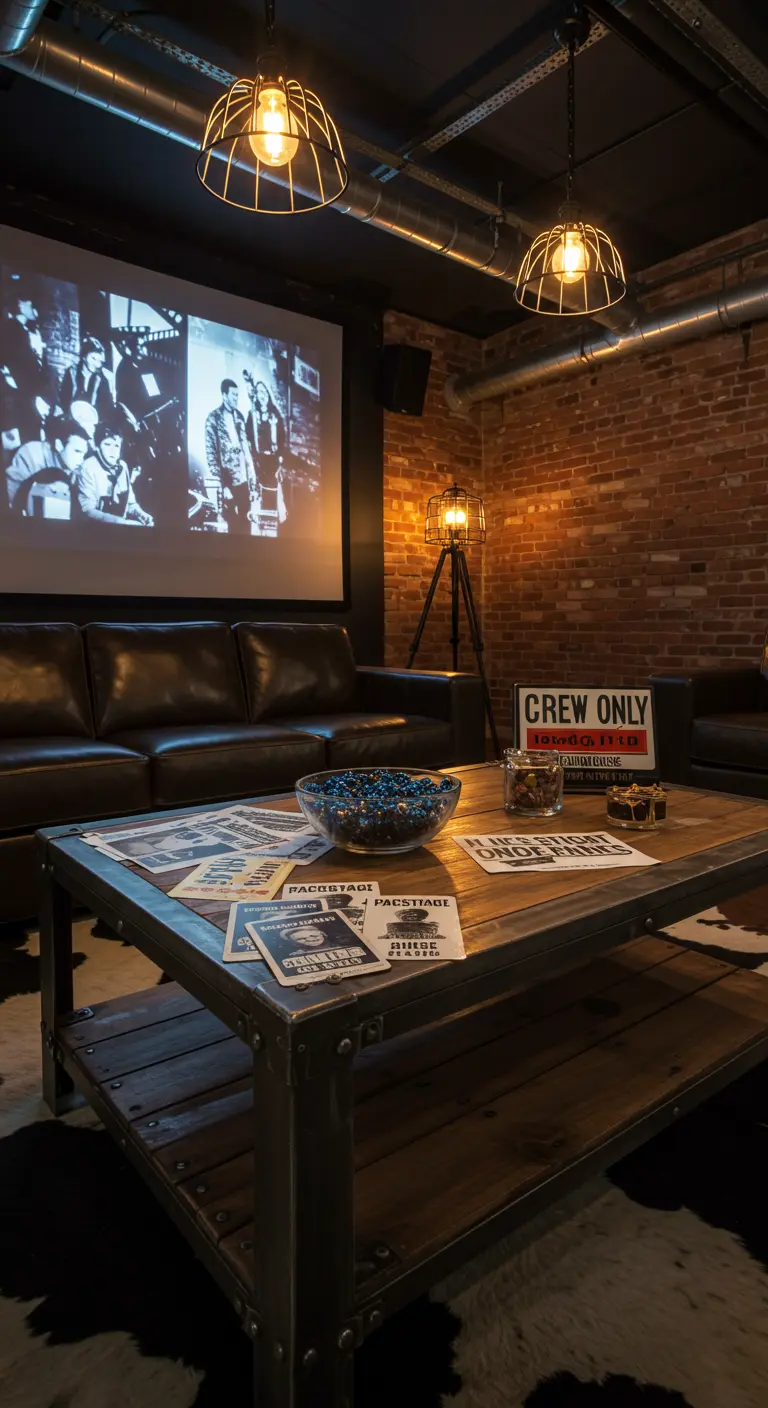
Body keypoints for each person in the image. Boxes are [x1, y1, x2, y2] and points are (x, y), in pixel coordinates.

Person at [0, 286, 53, 452]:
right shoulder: (11, 329)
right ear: (21, 305)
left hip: (30, 394)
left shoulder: (27, 330)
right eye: (32, 305)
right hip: (21, 396)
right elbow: (13, 363)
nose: (35, 311)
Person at [6, 417, 89, 517]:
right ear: (59, 445)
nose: (81, 459)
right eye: (77, 451)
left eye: (83, 454)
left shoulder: (74, 469)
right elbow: (10, 498)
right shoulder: (31, 453)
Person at [204, 379, 257, 534]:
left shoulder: (240, 417)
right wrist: (223, 484)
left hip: (244, 481)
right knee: (233, 529)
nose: (236, 398)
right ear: (224, 395)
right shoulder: (213, 418)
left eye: (237, 395)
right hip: (228, 484)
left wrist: (252, 482)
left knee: (246, 527)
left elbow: (247, 450)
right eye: (233, 395)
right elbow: (211, 455)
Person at [77, 424, 153, 526]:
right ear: (97, 446)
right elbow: (87, 510)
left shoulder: (123, 467)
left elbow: (130, 504)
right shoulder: (87, 467)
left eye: (117, 446)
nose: (113, 451)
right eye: (107, 444)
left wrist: (141, 514)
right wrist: (121, 522)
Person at [246, 378, 285, 523]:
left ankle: (276, 517)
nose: (262, 395)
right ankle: (257, 517)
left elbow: (282, 438)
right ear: (255, 395)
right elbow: (248, 436)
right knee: (258, 490)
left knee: (274, 489)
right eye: (258, 392)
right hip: (258, 461)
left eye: (264, 392)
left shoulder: (275, 415)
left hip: (273, 461)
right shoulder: (252, 415)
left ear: (268, 395)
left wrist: (280, 458)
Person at [58, 336, 115, 422]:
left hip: (92, 424)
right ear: (84, 356)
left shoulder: (101, 379)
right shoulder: (71, 373)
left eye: (99, 361)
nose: (96, 364)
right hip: (71, 421)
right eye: (93, 358)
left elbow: (106, 407)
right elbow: (63, 399)